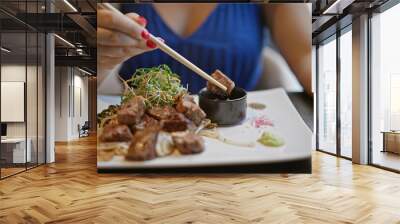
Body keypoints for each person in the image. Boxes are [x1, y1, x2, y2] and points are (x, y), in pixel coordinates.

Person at [97, 3, 311, 95]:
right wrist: (100, 62)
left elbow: (309, 59)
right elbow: (85, 78)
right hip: (136, 151)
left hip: (241, 147)